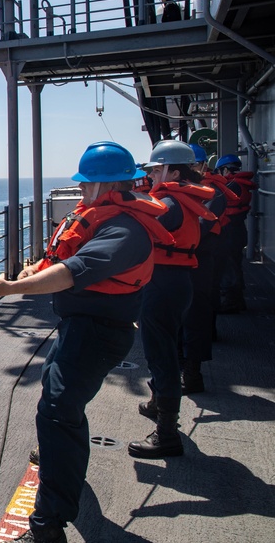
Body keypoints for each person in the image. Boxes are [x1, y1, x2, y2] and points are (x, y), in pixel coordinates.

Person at [0, 141, 173, 543]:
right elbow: (62, 260)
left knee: (58, 413)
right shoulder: (104, 218)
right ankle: (61, 467)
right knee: (59, 408)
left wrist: (12, 287)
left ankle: (48, 526)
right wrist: (37, 267)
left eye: (87, 184)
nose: (81, 191)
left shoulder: (125, 229)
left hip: (96, 333)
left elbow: (72, 272)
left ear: (106, 185)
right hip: (81, 328)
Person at [129, 141, 215, 459]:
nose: (151, 175)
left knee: (161, 355)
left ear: (172, 170)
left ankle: (166, 434)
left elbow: (136, 235)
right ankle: (157, 403)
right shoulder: (185, 199)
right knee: (167, 347)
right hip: (177, 281)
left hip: (162, 284)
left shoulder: (167, 202)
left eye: (155, 169)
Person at [184, 144, 235, 389]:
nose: (190, 170)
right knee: (189, 313)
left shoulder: (214, 193)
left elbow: (201, 228)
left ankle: (193, 374)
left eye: (193, 165)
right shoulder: (188, 193)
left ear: (204, 166)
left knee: (196, 313)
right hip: (187, 261)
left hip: (201, 259)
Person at [215, 154, 258, 312]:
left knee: (228, 266)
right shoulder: (240, 184)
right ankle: (236, 298)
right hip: (238, 230)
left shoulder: (231, 185)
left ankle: (232, 302)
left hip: (230, 231)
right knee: (234, 265)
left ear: (225, 169)